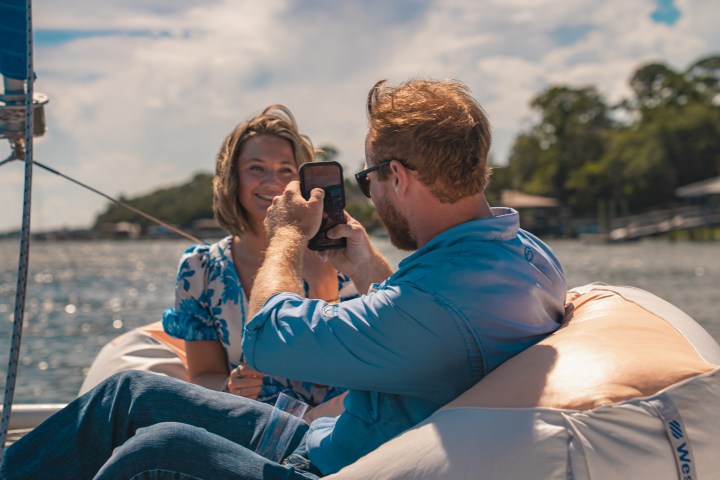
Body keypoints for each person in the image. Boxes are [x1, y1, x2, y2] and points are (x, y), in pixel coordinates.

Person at [0, 78, 566, 480]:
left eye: (368, 179)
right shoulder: (524, 255)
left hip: (337, 464)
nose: (368, 192)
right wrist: (367, 267)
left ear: (396, 175)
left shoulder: (438, 302)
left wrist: (288, 237)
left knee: (156, 450)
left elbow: (269, 337)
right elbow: (421, 315)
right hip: (337, 437)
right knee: (129, 395)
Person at [160, 104, 355, 407]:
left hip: (332, 423)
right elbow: (203, 375)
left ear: (302, 180)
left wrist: (325, 294)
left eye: (286, 170)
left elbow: (357, 368)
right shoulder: (200, 270)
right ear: (233, 178)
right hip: (248, 423)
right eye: (256, 168)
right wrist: (228, 387)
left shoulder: (339, 258)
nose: (272, 182)